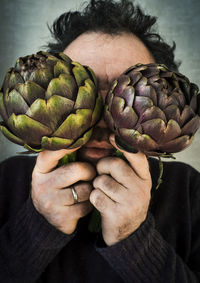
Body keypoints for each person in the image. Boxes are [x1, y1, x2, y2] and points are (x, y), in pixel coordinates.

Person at [0, 0, 200, 282]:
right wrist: (37, 227)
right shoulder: (5, 181)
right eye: (87, 84)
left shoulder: (191, 192)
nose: (106, 115)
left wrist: (133, 238)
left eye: (125, 91)